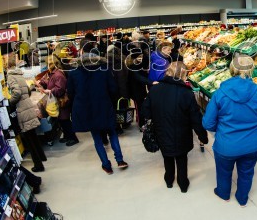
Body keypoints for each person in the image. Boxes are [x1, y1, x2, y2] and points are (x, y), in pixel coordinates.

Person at [203, 54, 257, 207]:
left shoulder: (220, 93)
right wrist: (256, 129)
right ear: (251, 69)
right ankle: (242, 198)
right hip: (253, 144)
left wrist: (222, 130)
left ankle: (223, 194)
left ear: (232, 69)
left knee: (223, 172)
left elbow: (208, 123)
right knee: (247, 172)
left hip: (226, 144)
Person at [142, 62, 208, 192]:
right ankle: (183, 184)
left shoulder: (155, 89)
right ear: (182, 75)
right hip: (182, 134)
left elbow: (146, 112)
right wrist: (202, 136)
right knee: (182, 159)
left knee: (167, 156)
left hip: (161, 131)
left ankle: (169, 180)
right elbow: (195, 118)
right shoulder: (186, 93)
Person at [67, 38, 128, 174]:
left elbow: (70, 93)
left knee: (97, 138)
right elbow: (113, 88)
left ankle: (106, 165)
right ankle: (120, 160)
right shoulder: (104, 69)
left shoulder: (74, 73)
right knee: (112, 132)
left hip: (87, 109)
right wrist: (112, 102)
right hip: (104, 105)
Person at [7, 59, 46, 172]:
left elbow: (17, 93)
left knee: (29, 139)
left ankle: (38, 165)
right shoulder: (20, 75)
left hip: (22, 109)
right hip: (28, 106)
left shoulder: (10, 77)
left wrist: (11, 101)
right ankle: (42, 157)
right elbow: (28, 91)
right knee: (33, 135)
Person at [36, 57, 79, 146]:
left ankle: (73, 138)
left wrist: (50, 91)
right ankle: (67, 136)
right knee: (61, 120)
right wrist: (42, 83)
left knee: (65, 120)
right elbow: (50, 83)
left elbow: (60, 89)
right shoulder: (53, 73)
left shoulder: (58, 75)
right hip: (58, 101)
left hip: (62, 101)